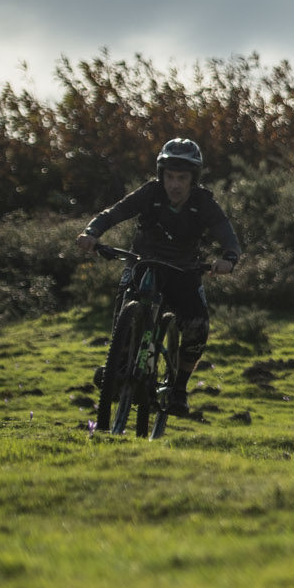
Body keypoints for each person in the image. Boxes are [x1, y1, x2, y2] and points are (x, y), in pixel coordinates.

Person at [76, 138, 241, 416]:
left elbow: (227, 234)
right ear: (161, 175)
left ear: (193, 179)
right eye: (170, 177)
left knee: (197, 328)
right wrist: (92, 233)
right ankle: (119, 363)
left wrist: (228, 259)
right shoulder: (149, 193)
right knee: (125, 309)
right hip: (144, 262)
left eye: (182, 178)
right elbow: (114, 213)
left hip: (183, 270)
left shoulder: (203, 202)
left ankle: (178, 389)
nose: (174, 184)